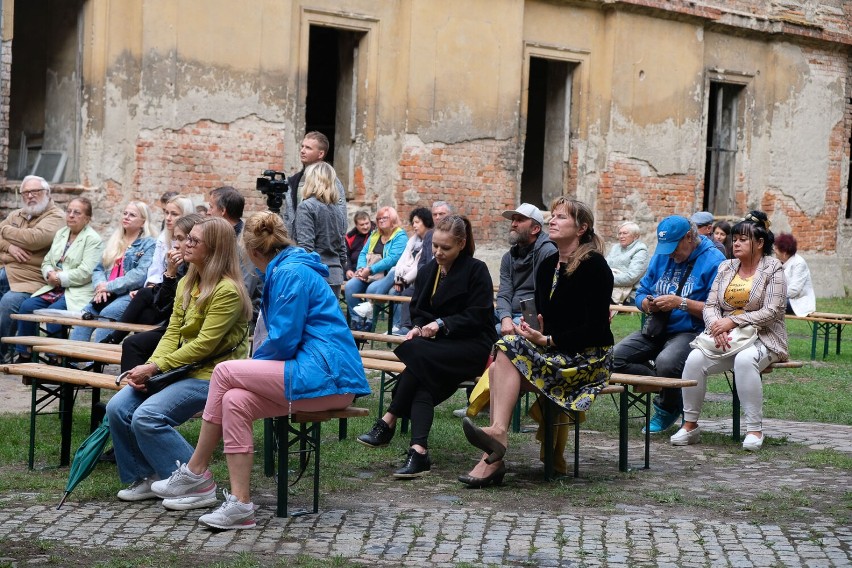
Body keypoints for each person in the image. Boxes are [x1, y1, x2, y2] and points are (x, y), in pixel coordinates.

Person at [150, 211, 369, 529]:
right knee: (235, 400)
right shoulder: (290, 269)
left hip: (327, 377)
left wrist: (248, 367)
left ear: (252, 252)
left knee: (225, 373)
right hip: (316, 378)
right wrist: (251, 371)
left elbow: (282, 341)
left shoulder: (290, 273)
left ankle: (196, 472)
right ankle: (240, 506)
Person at [459, 198, 613, 486]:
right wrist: (534, 330)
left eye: (561, 217)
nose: (552, 221)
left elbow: (596, 331)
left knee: (502, 359)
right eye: (552, 216)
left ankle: (494, 447)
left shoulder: (595, 266)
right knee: (501, 357)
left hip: (587, 359)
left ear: (582, 228)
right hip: (555, 351)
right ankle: (495, 444)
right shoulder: (546, 267)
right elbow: (549, 321)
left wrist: (549, 338)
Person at [106, 216, 252, 502]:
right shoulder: (187, 281)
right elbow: (172, 333)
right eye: (187, 239)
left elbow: (204, 346)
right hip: (181, 370)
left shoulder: (228, 291)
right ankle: (148, 476)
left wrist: (156, 367)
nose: (185, 244)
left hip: (213, 376)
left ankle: (198, 484)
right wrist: (149, 368)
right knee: (117, 407)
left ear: (214, 249)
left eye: (194, 241)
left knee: (148, 417)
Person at [357, 215, 496, 478]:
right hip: (436, 349)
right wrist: (419, 327)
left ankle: (388, 420)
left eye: (446, 248)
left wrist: (441, 324)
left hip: (472, 345)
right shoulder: (428, 270)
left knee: (416, 352)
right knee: (423, 380)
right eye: (435, 247)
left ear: (462, 244)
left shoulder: (476, 269)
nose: (439, 253)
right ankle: (419, 452)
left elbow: (478, 315)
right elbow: (418, 310)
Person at [672, 211, 787, 451]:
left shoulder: (773, 267)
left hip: (764, 336)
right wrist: (717, 327)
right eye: (734, 239)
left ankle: (754, 430)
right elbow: (711, 304)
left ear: (759, 243)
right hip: (724, 337)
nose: (735, 243)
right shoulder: (726, 267)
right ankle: (690, 425)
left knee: (745, 360)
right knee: (694, 359)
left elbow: (774, 310)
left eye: (743, 239)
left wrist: (733, 322)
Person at [611, 216, 725, 433]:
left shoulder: (714, 261)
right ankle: (670, 387)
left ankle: (667, 407)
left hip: (691, 331)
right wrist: (646, 304)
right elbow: (642, 291)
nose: (670, 253)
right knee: (613, 358)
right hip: (657, 328)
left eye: (674, 247)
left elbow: (718, 309)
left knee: (667, 361)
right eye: (666, 248)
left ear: (689, 238)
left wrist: (680, 303)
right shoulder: (662, 256)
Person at [104, 214, 205, 369]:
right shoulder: (182, 266)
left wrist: (170, 275)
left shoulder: (200, 269)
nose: (176, 245)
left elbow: (167, 309)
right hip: (173, 324)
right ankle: (134, 387)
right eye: (175, 239)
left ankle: (139, 383)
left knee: (134, 340)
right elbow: (163, 305)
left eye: (181, 238)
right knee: (134, 338)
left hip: (189, 331)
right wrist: (170, 273)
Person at [12, 198, 104, 361]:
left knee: (55, 312)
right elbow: (47, 261)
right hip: (53, 287)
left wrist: (59, 277)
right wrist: (49, 273)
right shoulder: (62, 233)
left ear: (87, 218)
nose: (71, 215)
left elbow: (86, 272)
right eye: (69, 211)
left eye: (77, 212)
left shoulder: (93, 239)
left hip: (76, 290)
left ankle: (56, 358)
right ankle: (25, 353)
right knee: (27, 306)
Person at [68, 201, 157, 343]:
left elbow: (139, 275)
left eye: (132, 215)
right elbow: (98, 269)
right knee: (87, 312)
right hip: (106, 292)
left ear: (143, 222)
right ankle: (72, 360)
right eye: (125, 213)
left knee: (108, 312)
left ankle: (97, 361)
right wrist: (101, 286)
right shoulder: (115, 239)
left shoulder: (149, 244)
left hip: (130, 294)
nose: (126, 217)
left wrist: (108, 287)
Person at [0, 176, 66, 361]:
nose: (30, 196)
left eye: (35, 191)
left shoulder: (56, 217)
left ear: (47, 193)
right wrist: (9, 247)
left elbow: (34, 239)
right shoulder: (17, 215)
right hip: (6, 271)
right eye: (26, 192)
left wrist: (4, 231)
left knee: (8, 303)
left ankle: (3, 353)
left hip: (31, 280)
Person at [495, 203, 557, 336]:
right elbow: (504, 293)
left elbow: (548, 298)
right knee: (476, 324)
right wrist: (506, 318)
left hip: (532, 316)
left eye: (520, 220)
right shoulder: (508, 257)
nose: (513, 224)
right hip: (510, 312)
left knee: (494, 330)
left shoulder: (548, 253)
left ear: (535, 229)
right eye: (513, 220)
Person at [344, 206, 408, 331]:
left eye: (385, 218)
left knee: (372, 288)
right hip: (369, 274)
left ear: (393, 219)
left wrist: (370, 269)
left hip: (389, 277)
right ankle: (356, 321)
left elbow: (392, 259)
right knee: (350, 286)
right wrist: (361, 268)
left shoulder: (400, 236)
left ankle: (368, 323)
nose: (381, 220)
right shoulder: (375, 234)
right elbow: (363, 253)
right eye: (379, 218)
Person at [206, 186, 263, 323]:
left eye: (211, 207)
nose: (208, 212)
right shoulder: (221, 237)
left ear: (223, 211)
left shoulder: (245, 243)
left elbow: (243, 291)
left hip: (242, 318)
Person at [294, 162, 348, 297]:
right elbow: (342, 250)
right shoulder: (337, 211)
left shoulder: (306, 207)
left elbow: (306, 248)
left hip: (314, 276)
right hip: (334, 276)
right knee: (329, 318)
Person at [282, 131, 347, 237]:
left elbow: (341, 219)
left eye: (308, 148)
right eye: (302, 146)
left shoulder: (331, 181)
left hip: (321, 247)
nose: (302, 151)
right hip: (296, 247)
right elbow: (288, 216)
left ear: (320, 154)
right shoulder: (293, 181)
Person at [388, 207, 434, 335]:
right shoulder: (412, 241)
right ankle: (399, 325)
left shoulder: (430, 237)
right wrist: (399, 279)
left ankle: (404, 326)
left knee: (404, 291)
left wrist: (402, 280)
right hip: (408, 278)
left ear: (426, 221)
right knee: (393, 288)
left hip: (414, 279)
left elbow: (418, 267)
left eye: (417, 222)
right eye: (413, 222)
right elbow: (403, 262)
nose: (414, 225)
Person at [146, 196, 195, 286]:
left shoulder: (191, 242)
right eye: (166, 213)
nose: (168, 218)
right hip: (161, 285)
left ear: (186, 216)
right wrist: (151, 286)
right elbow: (156, 269)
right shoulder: (163, 237)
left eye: (174, 214)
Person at [606, 221, 649, 305]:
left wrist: (605, 279)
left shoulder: (641, 250)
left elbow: (630, 277)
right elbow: (604, 267)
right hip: (610, 289)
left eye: (625, 233)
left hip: (629, 295)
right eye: (620, 233)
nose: (621, 236)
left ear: (635, 236)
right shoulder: (615, 248)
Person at [774, 233, 816, 316]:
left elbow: (794, 290)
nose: (774, 251)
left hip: (798, 302)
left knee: (769, 304)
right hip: (784, 299)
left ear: (784, 252)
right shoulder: (780, 262)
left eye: (776, 249)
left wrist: (774, 295)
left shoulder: (799, 263)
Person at [417, 201, 453, 271]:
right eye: (434, 214)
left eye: (441, 214)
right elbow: (421, 263)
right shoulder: (429, 235)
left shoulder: (454, 234)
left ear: (450, 215)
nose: (437, 217)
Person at [345, 211, 374, 280]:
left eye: (367, 223)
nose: (365, 227)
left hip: (371, 269)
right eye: (362, 225)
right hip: (354, 269)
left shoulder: (376, 233)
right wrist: (348, 270)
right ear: (356, 225)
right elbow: (346, 255)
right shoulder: (350, 237)